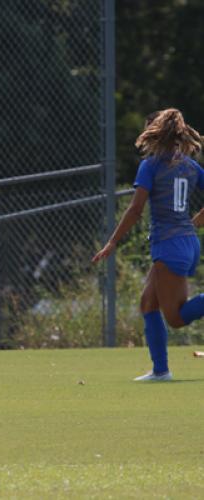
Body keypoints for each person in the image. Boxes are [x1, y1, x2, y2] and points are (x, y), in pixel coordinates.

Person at [92, 108, 204, 381]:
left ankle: (162, 371)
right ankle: (160, 370)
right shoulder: (190, 166)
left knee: (176, 319)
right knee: (147, 303)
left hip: (169, 246)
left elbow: (134, 210)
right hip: (186, 243)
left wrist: (112, 242)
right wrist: (197, 221)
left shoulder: (151, 165)